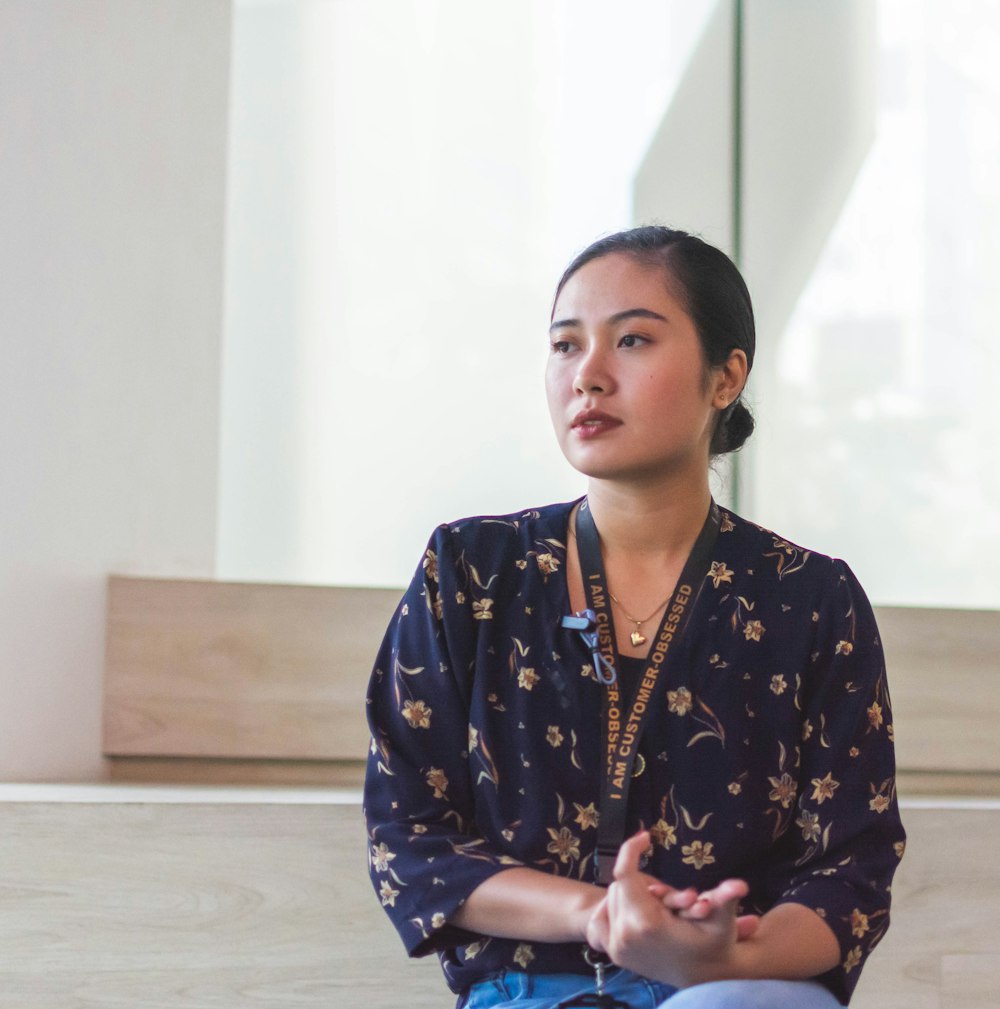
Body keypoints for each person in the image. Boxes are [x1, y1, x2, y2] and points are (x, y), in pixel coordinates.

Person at [363, 226, 904, 1009]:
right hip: (525, 993)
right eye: (564, 346)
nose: (588, 375)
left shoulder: (810, 597)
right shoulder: (471, 573)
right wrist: (605, 916)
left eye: (633, 340)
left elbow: (850, 872)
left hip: (736, 993)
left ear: (726, 377)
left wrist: (723, 956)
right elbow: (411, 840)